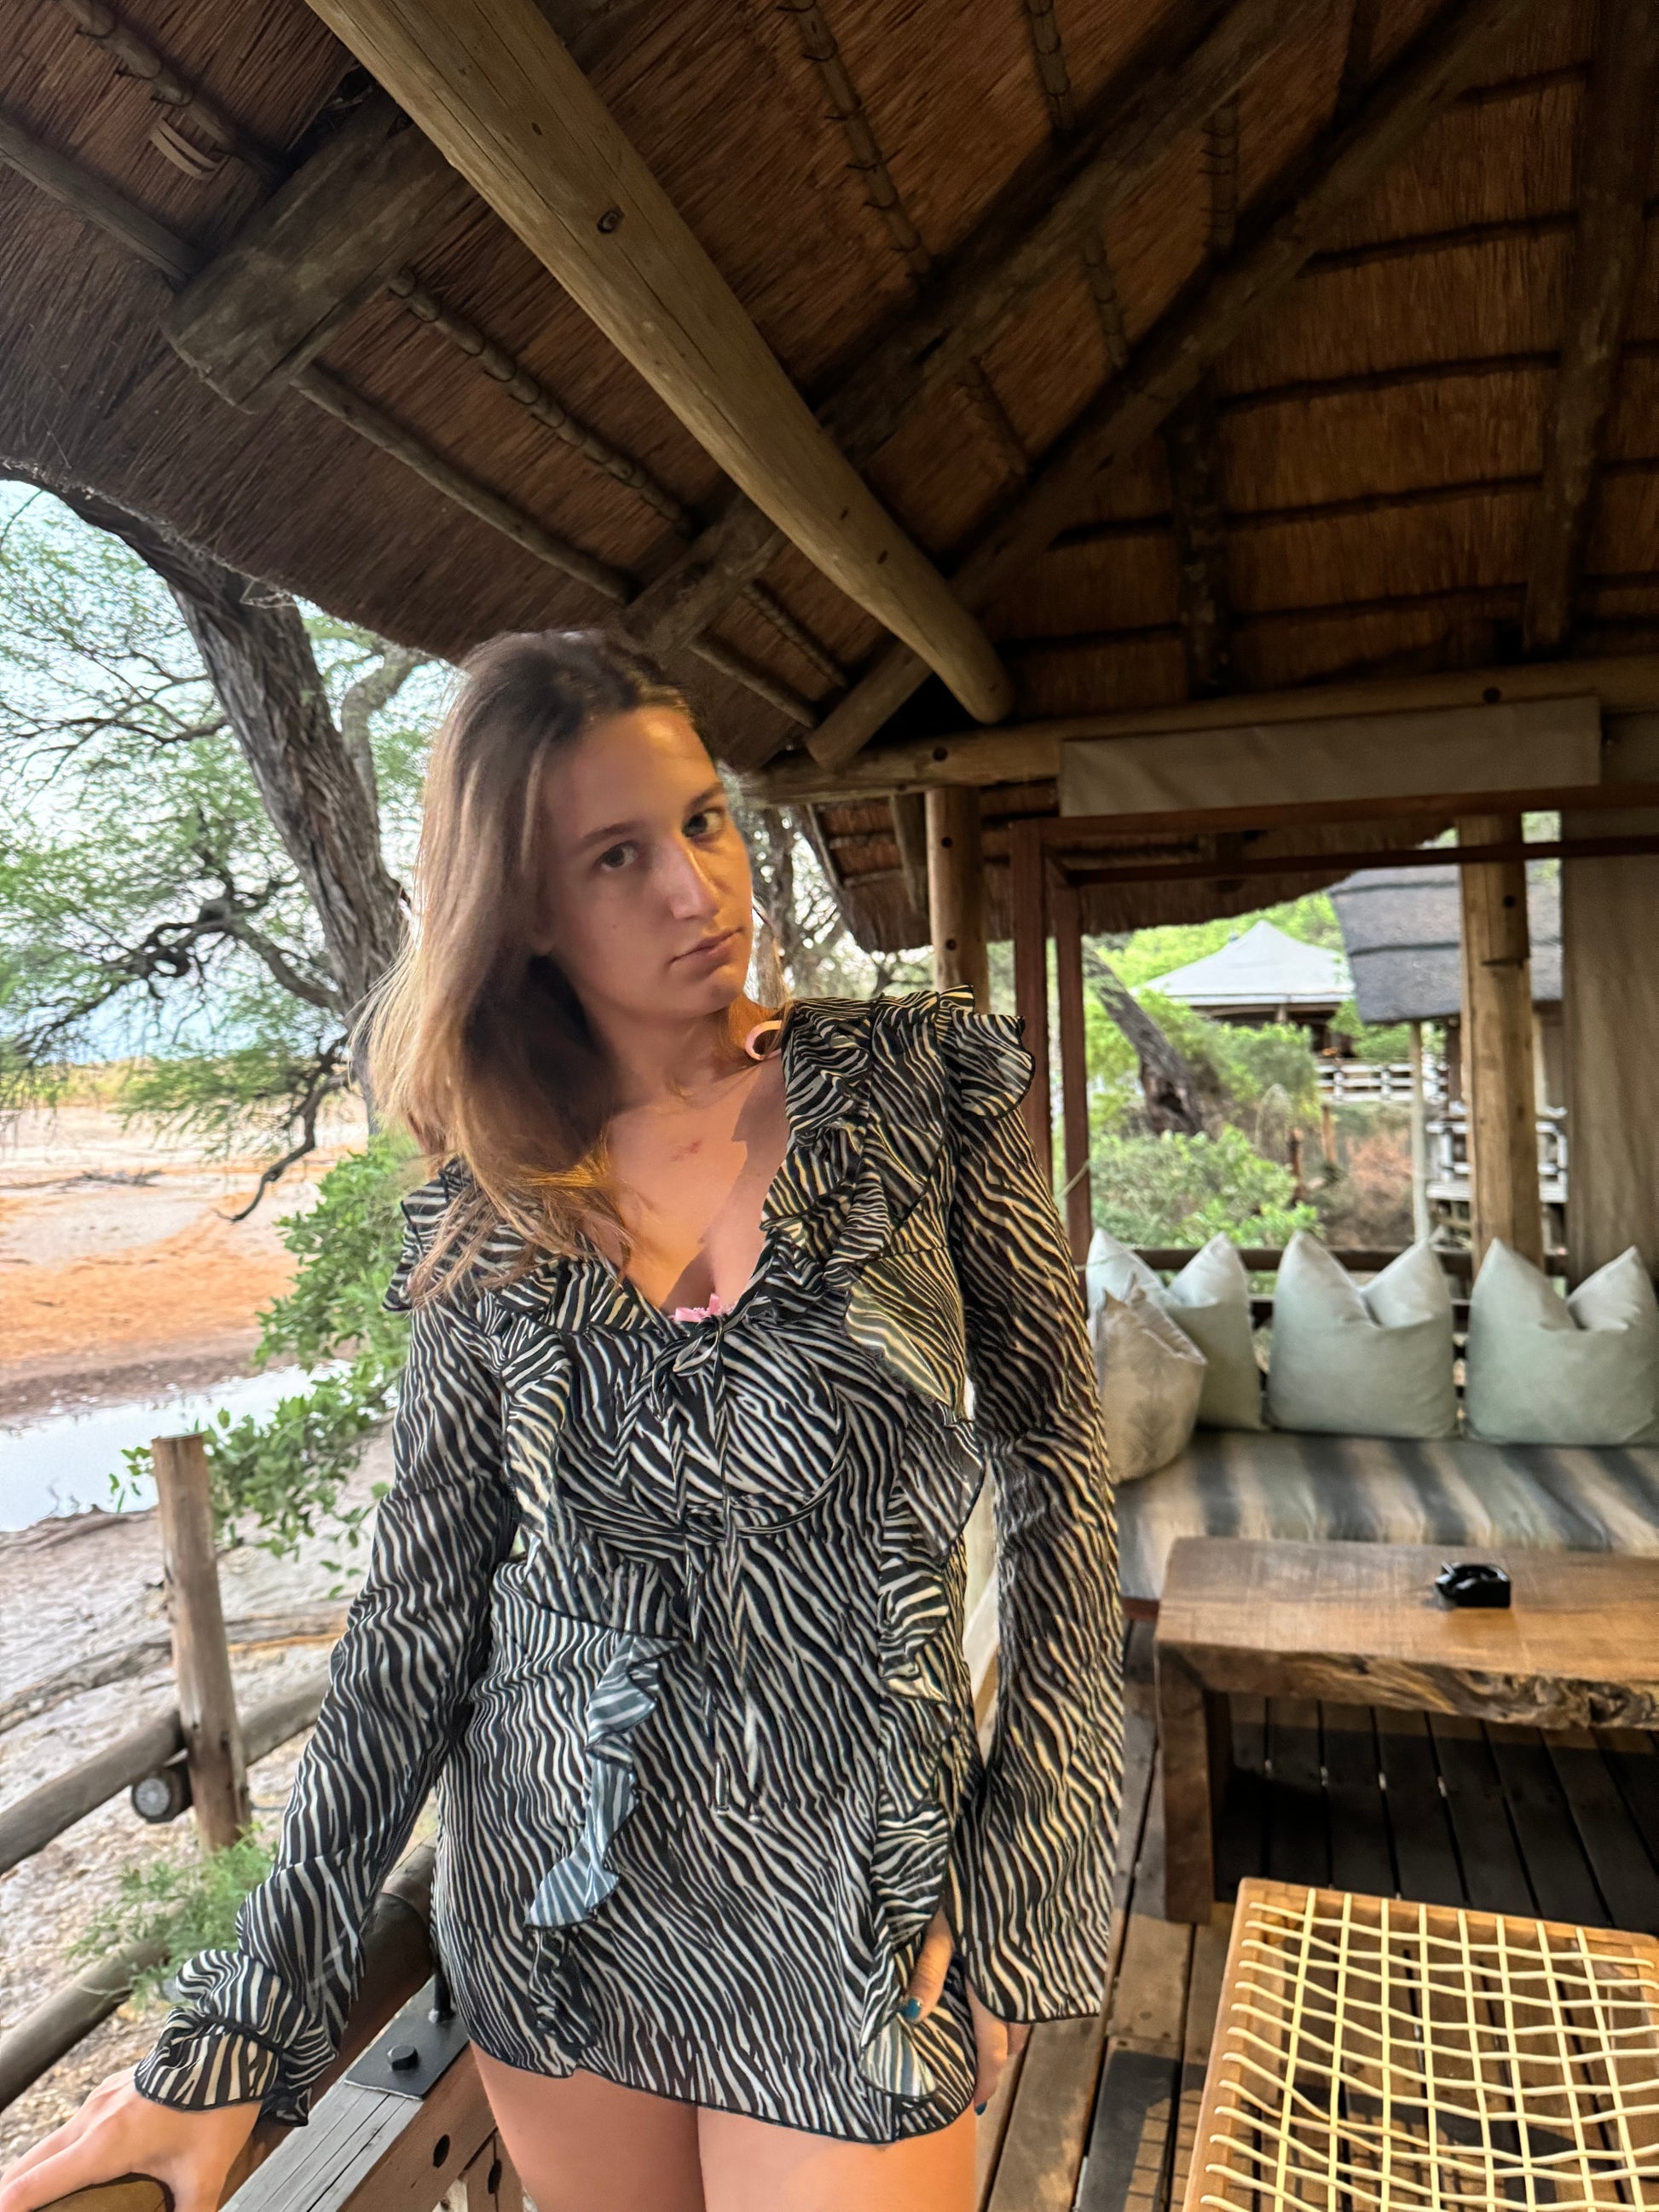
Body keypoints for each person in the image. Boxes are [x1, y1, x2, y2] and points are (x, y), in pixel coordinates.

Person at [0, 632, 1122, 2212]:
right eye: (617, 857)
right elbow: (415, 1630)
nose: (697, 890)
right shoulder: (485, 1210)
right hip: (556, 1904)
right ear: (523, 913)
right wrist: (230, 2042)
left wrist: (1032, 1883)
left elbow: (1059, 1484)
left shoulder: (915, 1082)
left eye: (705, 821)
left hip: (858, 1902)